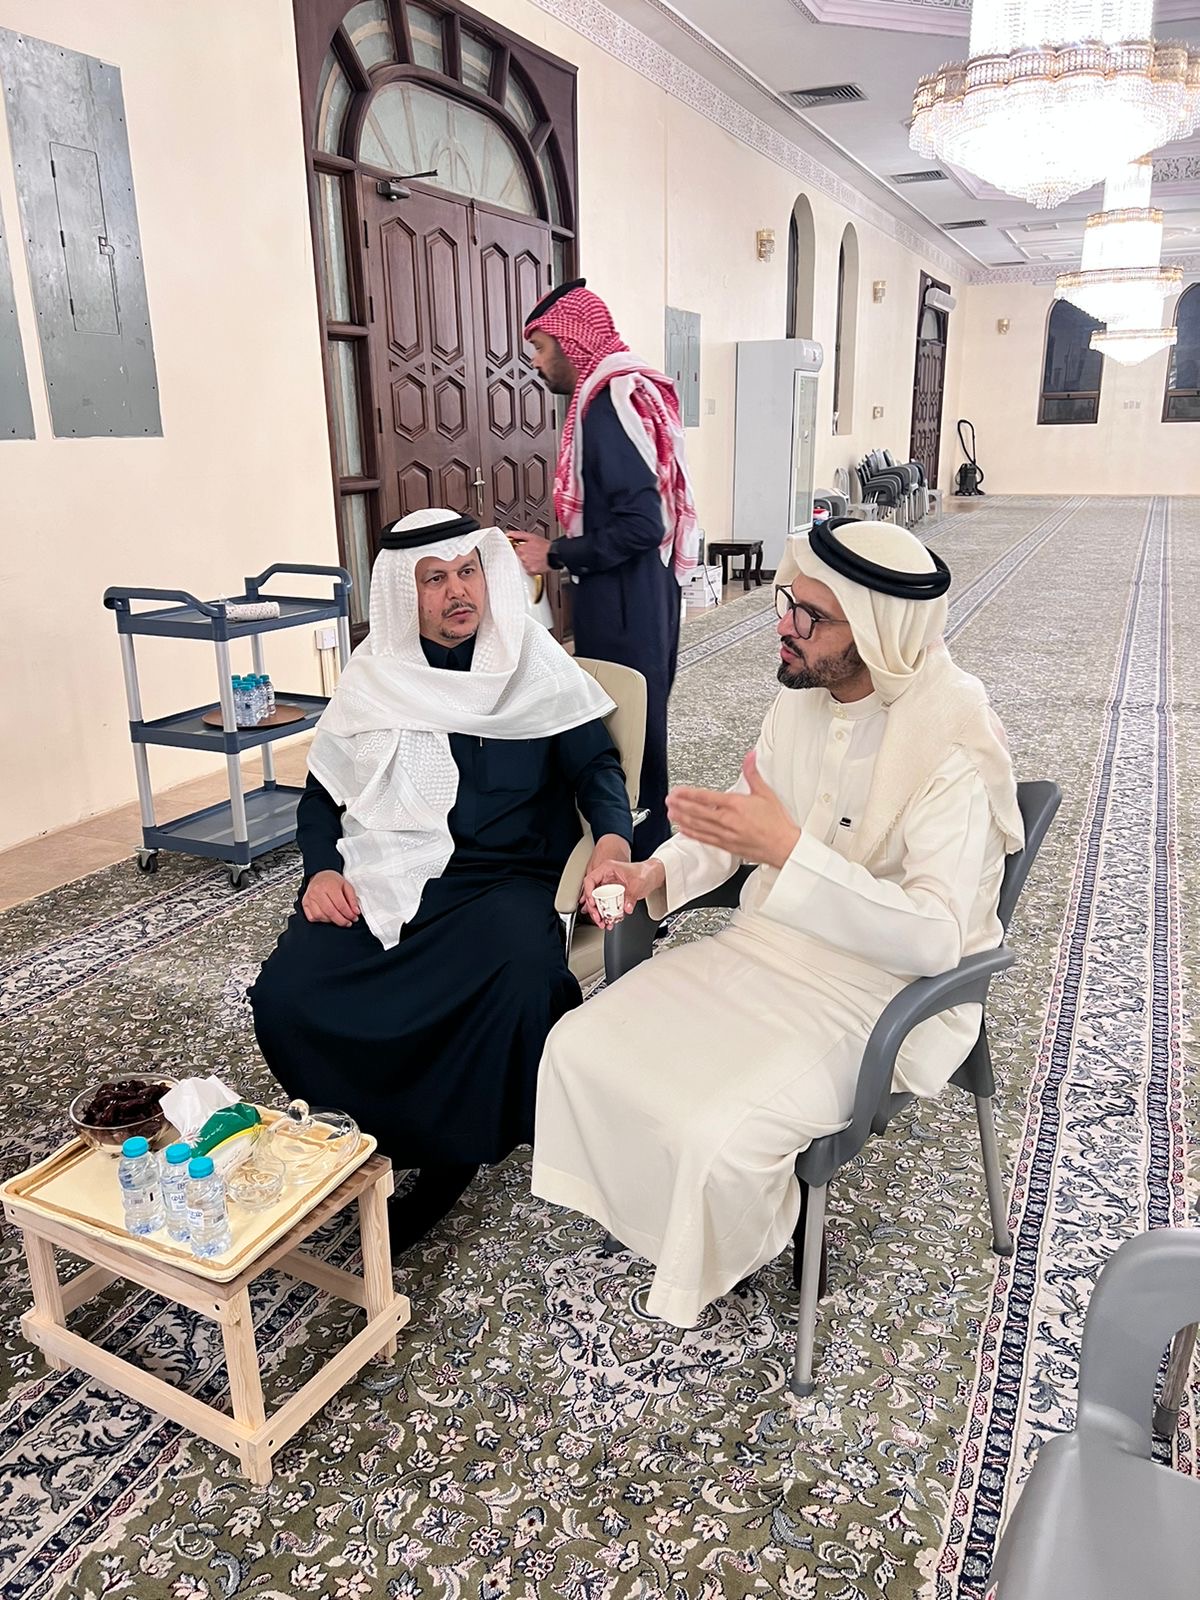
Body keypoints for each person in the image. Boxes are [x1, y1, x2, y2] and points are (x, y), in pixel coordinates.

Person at [532, 518, 1024, 1327]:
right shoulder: (802, 700)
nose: (783, 626)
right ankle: (665, 1222)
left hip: (877, 993)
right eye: (788, 602)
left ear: (875, 633)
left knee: (713, 1132)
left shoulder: (950, 745)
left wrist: (792, 854)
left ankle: (738, 1245)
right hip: (766, 946)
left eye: (810, 617)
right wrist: (657, 871)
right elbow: (736, 829)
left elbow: (936, 937)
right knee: (577, 1045)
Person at [249, 509, 634, 1252]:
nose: (458, 591)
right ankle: (374, 1138)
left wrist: (613, 839)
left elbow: (595, 766)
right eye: (435, 579)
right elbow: (322, 797)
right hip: (392, 870)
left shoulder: (532, 660)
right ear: (405, 592)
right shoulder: (376, 676)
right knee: (291, 991)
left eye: (468, 572)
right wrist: (321, 869)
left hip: (506, 878)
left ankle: (453, 1150)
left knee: (519, 981)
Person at [509, 280, 699, 854]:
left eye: (540, 347)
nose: (537, 362)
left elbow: (642, 524)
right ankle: (643, 844)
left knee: (627, 726)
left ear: (571, 341)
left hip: (624, 598)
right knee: (640, 721)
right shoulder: (620, 390)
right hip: (641, 592)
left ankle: (638, 853)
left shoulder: (607, 404)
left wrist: (554, 554)